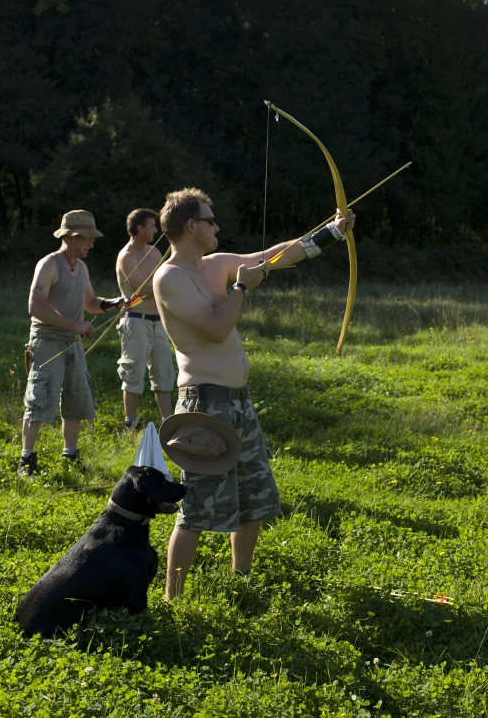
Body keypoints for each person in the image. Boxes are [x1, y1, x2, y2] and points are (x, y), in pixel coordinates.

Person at [153, 187, 356, 600]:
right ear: (191, 225)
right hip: (203, 405)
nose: (218, 226)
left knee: (254, 498)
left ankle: (240, 580)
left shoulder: (215, 265)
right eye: (210, 219)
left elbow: (274, 255)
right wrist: (241, 289)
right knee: (195, 509)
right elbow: (214, 328)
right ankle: (173, 599)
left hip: (238, 402)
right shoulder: (169, 278)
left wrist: (332, 232)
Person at [17, 210, 126, 477]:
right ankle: (26, 460)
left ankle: (70, 455)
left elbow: (90, 304)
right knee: (39, 400)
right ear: (73, 236)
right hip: (47, 341)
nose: (91, 245)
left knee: (76, 399)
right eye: (88, 240)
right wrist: (75, 325)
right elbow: (35, 306)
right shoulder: (49, 264)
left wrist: (113, 304)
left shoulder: (81, 267)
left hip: (72, 343)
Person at [116, 209, 176, 427]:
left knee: (164, 372)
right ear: (139, 229)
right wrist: (166, 283)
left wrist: (166, 282)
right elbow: (141, 290)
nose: (156, 230)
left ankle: (167, 421)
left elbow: (164, 277)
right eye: (152, 226)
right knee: (132, 373)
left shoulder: (154, 252)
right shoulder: (127, 256)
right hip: (135, 321)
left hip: (158, 321)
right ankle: (130, 422)